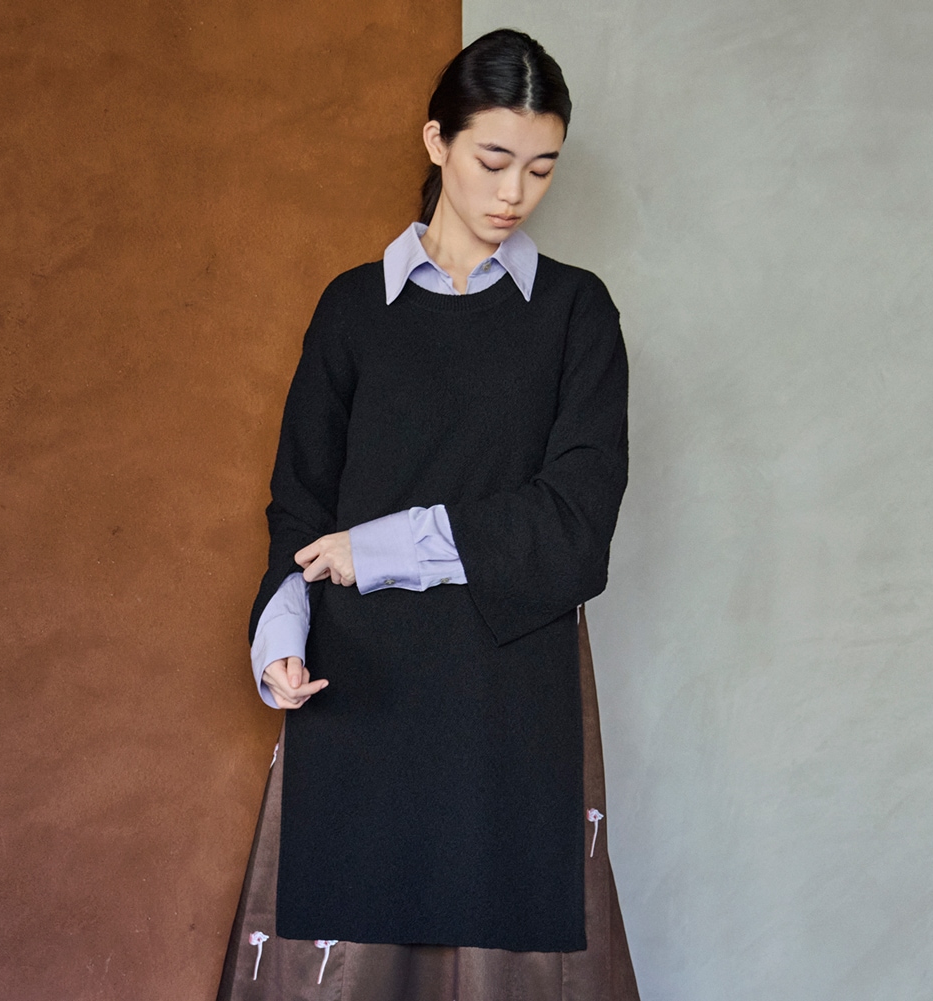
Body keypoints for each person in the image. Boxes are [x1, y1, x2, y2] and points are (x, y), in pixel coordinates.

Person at [217, 28, 641, 1001]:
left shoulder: (575, 314)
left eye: (541, 168)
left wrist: (384, 546)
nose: (514, 192)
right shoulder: (351, 310)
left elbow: (576, 526)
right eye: (493, 159)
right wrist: (279, 638)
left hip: (508, 697)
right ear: (436, 141)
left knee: (512, 959)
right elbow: (299, 504)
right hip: (360, 688)